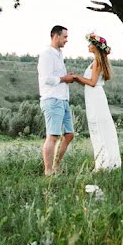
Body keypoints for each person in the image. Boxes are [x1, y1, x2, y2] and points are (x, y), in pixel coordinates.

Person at [74, 32, 122, 171]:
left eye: (90, 43)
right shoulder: (95, 62)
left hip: (95, 96)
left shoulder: (97, 62)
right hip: (93, 96)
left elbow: (93, 82)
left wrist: (77, 77)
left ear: (95, 46)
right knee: (98, 128)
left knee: (99, 128)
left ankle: (104, 163)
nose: (88, 46)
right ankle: (102, 160)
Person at [38, 25, 76, 176]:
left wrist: (66, 77)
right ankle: (48, 172)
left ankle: (56, 165)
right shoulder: (47, 54)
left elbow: (58, 77)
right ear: (56, 36)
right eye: (65, 37)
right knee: (52, 136)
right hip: (52, 99)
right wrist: (63, 78)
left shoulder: (59, 54)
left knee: (69, 134)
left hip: (63, 99)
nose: (67, 40)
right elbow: (46, 79)